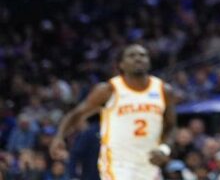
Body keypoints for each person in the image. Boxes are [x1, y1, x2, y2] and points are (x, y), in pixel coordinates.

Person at [50, 44, 177, 180]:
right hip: (117, 166)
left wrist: (164, 149)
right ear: (121, 64)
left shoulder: (163, 90)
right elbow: (77, 114)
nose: (138, 58)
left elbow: (170, 126)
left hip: (149, 165)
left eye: (142, 55)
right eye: (132, 56)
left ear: (149, 61)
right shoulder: (108, 90)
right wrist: (60, 136)